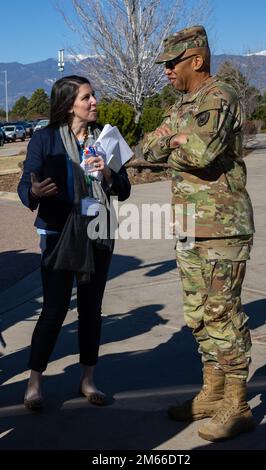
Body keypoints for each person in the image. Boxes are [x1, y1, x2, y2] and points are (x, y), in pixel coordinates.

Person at [142, 26, 255, 441]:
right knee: (196, 314)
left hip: (222, 226)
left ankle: (237, 402)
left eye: (171, 63)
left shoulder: (219, 97)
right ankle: (212, 391)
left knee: (222, 314)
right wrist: (177, 136)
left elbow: (202, 152)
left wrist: (174, 139)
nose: (166, 71)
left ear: (196, 60)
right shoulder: (184, 104)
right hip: (189, 227)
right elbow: (144, 151)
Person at [18, 75, 131, 410]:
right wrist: (34, 193)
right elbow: (28, 180)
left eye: (94, 95)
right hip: (59, 233)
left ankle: (88, 380)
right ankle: (34, 383)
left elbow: (124, 188)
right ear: (69, 105)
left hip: (98, 231)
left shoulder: (106, 139)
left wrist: (109, 175)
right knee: (53, 310)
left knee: (91, 311)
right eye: (87, 97)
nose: (94, 101)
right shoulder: (45, 138)